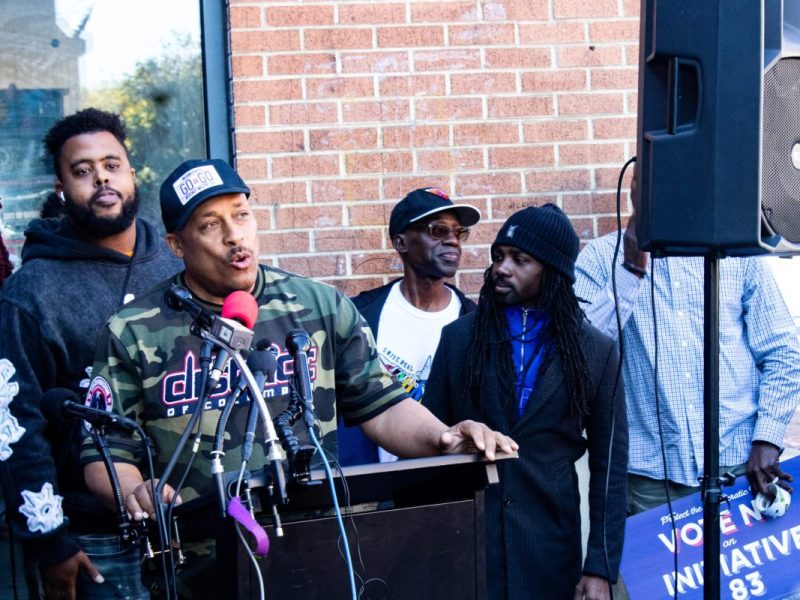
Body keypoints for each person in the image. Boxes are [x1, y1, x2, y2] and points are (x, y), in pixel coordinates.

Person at [81, 158, 518, 597]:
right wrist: (137, 489)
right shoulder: (132, 330)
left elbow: (382, 406)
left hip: (315, 558)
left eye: (241, 214)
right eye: (211, 225)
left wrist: (445, 437)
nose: (235, 235)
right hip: (199, 571)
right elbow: (103, 452)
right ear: (177, 244)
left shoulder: (320, 307)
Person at [0, 108, 181, 599]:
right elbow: (15, 423)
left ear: (131, 172)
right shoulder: (31, 291)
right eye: (82, 171)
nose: (101, 177)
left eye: (112, 164)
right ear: (61, 189)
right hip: (94, 532)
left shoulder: (175, 258)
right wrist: (50, 540)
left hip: (191, 519)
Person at [424, 205, 628, 600]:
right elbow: (428, 442)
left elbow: (610, 469)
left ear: (551, 270)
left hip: (549, 548)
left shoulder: (596, 352)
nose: (502, 268)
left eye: (520, 260)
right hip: (471, 543)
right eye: (499, 256)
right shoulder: (459, 339)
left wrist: (600, 566)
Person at [574, 177, 800, 515]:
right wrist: (631, 270)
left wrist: (767, 438)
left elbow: (783, 351)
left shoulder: (735, 253)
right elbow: (580, 355)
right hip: (648, 479)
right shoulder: (600, 257)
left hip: (741, 466)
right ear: (635, 189)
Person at [338, 187, 480, 465]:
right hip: (375, 488)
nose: (453, 241)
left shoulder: (474, 322)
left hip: (448, 488)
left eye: (458, 232)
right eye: (439, 231)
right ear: (401, 242)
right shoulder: (359, 315)